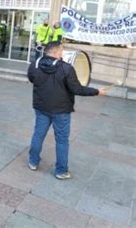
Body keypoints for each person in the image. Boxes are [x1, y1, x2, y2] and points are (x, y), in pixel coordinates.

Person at [27, 42, 106, 180]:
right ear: (57, 52)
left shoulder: (34, 64)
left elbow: (32, 79)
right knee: (62, 140)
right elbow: (77, 89)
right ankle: (61, 171)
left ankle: (33, 162)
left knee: (38, 135)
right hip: (61, 110)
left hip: (41, 107)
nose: (62, 53)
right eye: (62, 50)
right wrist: (97, 91)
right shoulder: (66, 68)